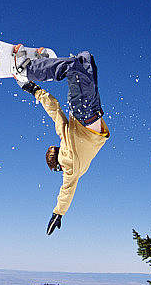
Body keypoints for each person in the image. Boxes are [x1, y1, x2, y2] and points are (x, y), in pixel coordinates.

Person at [11, 45, 110, 235]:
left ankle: (40, 66)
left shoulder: (69, 145)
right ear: (58, 161)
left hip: (90, 112)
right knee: (75, 66)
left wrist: (34, 90)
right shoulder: (69, 165)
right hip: (85, 112)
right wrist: (58, 212)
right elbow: (66, 191)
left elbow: (55, 109)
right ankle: (28, 71)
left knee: (85, 59)